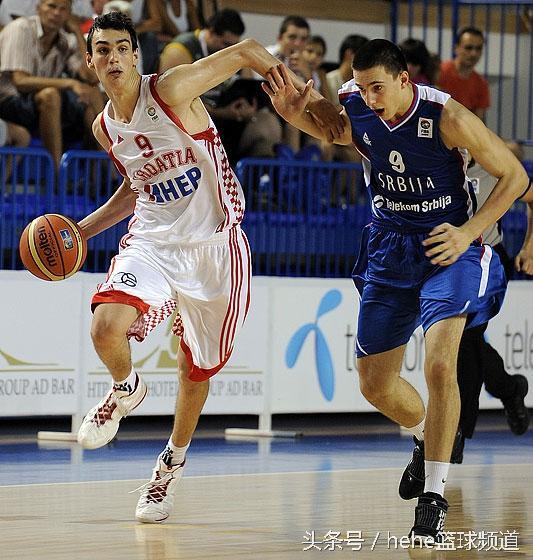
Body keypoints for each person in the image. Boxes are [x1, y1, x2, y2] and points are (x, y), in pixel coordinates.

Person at [76, 11, 342, 524]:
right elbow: (135, 187)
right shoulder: (104, 127)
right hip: (153, 240)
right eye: (102, 50)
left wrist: (307, 102)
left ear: (136, 54)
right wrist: (81, 232)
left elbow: (246, 51)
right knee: (105, 326)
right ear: (91, 61)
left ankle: (169, 466)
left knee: (194, 370)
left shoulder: (170, 89)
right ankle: (126, 388)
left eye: (122, 48)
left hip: (216, 246)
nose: (113, 57)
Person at [261, 39, 531, 543]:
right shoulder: (356, 101)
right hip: (389, 245)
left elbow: (514, 176)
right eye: (362, 87)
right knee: (374, 385)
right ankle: (424, 437)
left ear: (405, 80)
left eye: (378, 87)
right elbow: (339, 131)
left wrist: (469, 233)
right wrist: (294, 115)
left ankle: (434, 497)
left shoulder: (446, 116)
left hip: (447, 247)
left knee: (441, 365)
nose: (369, 97)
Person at [453, 158, 532, 462]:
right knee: (457, 343)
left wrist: (529, 247)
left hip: (488, 261)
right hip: (448, 263)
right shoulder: (436, 159)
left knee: (466, 339)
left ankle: (456, 433)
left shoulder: (493, 163)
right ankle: (510, 389)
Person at [159, 9, 282, 165]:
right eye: (225, 44)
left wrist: (248, 107)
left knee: (269, 124)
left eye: (233, 45)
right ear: (210, 32)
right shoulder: (180, 50)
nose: (228, 50)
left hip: (227, 121)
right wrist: (221, 113)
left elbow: (248, 83)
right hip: (189, 123)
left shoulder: (234, 52)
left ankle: (256, 178)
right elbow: (168, 102)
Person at [0, 0, 104, 169]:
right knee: (50, 95)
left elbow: (92, 76)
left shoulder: (65, 40)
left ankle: (109, 169)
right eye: (51, 6)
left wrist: (77, 31)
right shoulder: (21, 28)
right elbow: (20, 81)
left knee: (91, 93)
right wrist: (69, 83)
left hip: (37, 104)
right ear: (38, 8)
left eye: (63, 9)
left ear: (68, 15)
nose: (56, 13)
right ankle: (56, 174)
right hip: (8, 101)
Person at [439, 27, 489, 120]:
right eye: (468, 48)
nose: (474, 53)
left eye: (478, 48)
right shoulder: (440, 72)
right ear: (456, 48)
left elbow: (478, 120)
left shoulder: (481, 84)